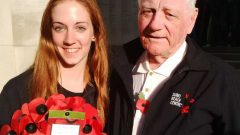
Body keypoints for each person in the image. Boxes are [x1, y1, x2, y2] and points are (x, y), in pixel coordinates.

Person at [108, 0, 240, 134]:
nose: (155, 25)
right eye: (147, 12)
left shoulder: (222, 81)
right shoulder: (110, 64)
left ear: (191, 20)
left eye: (169, 14)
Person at [0, 0, 109, 128]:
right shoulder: (17, 90)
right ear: (49, 33)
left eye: (80, 28)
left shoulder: (110, 90)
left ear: (95, 33)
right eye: (59, 28)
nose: (69, 40)